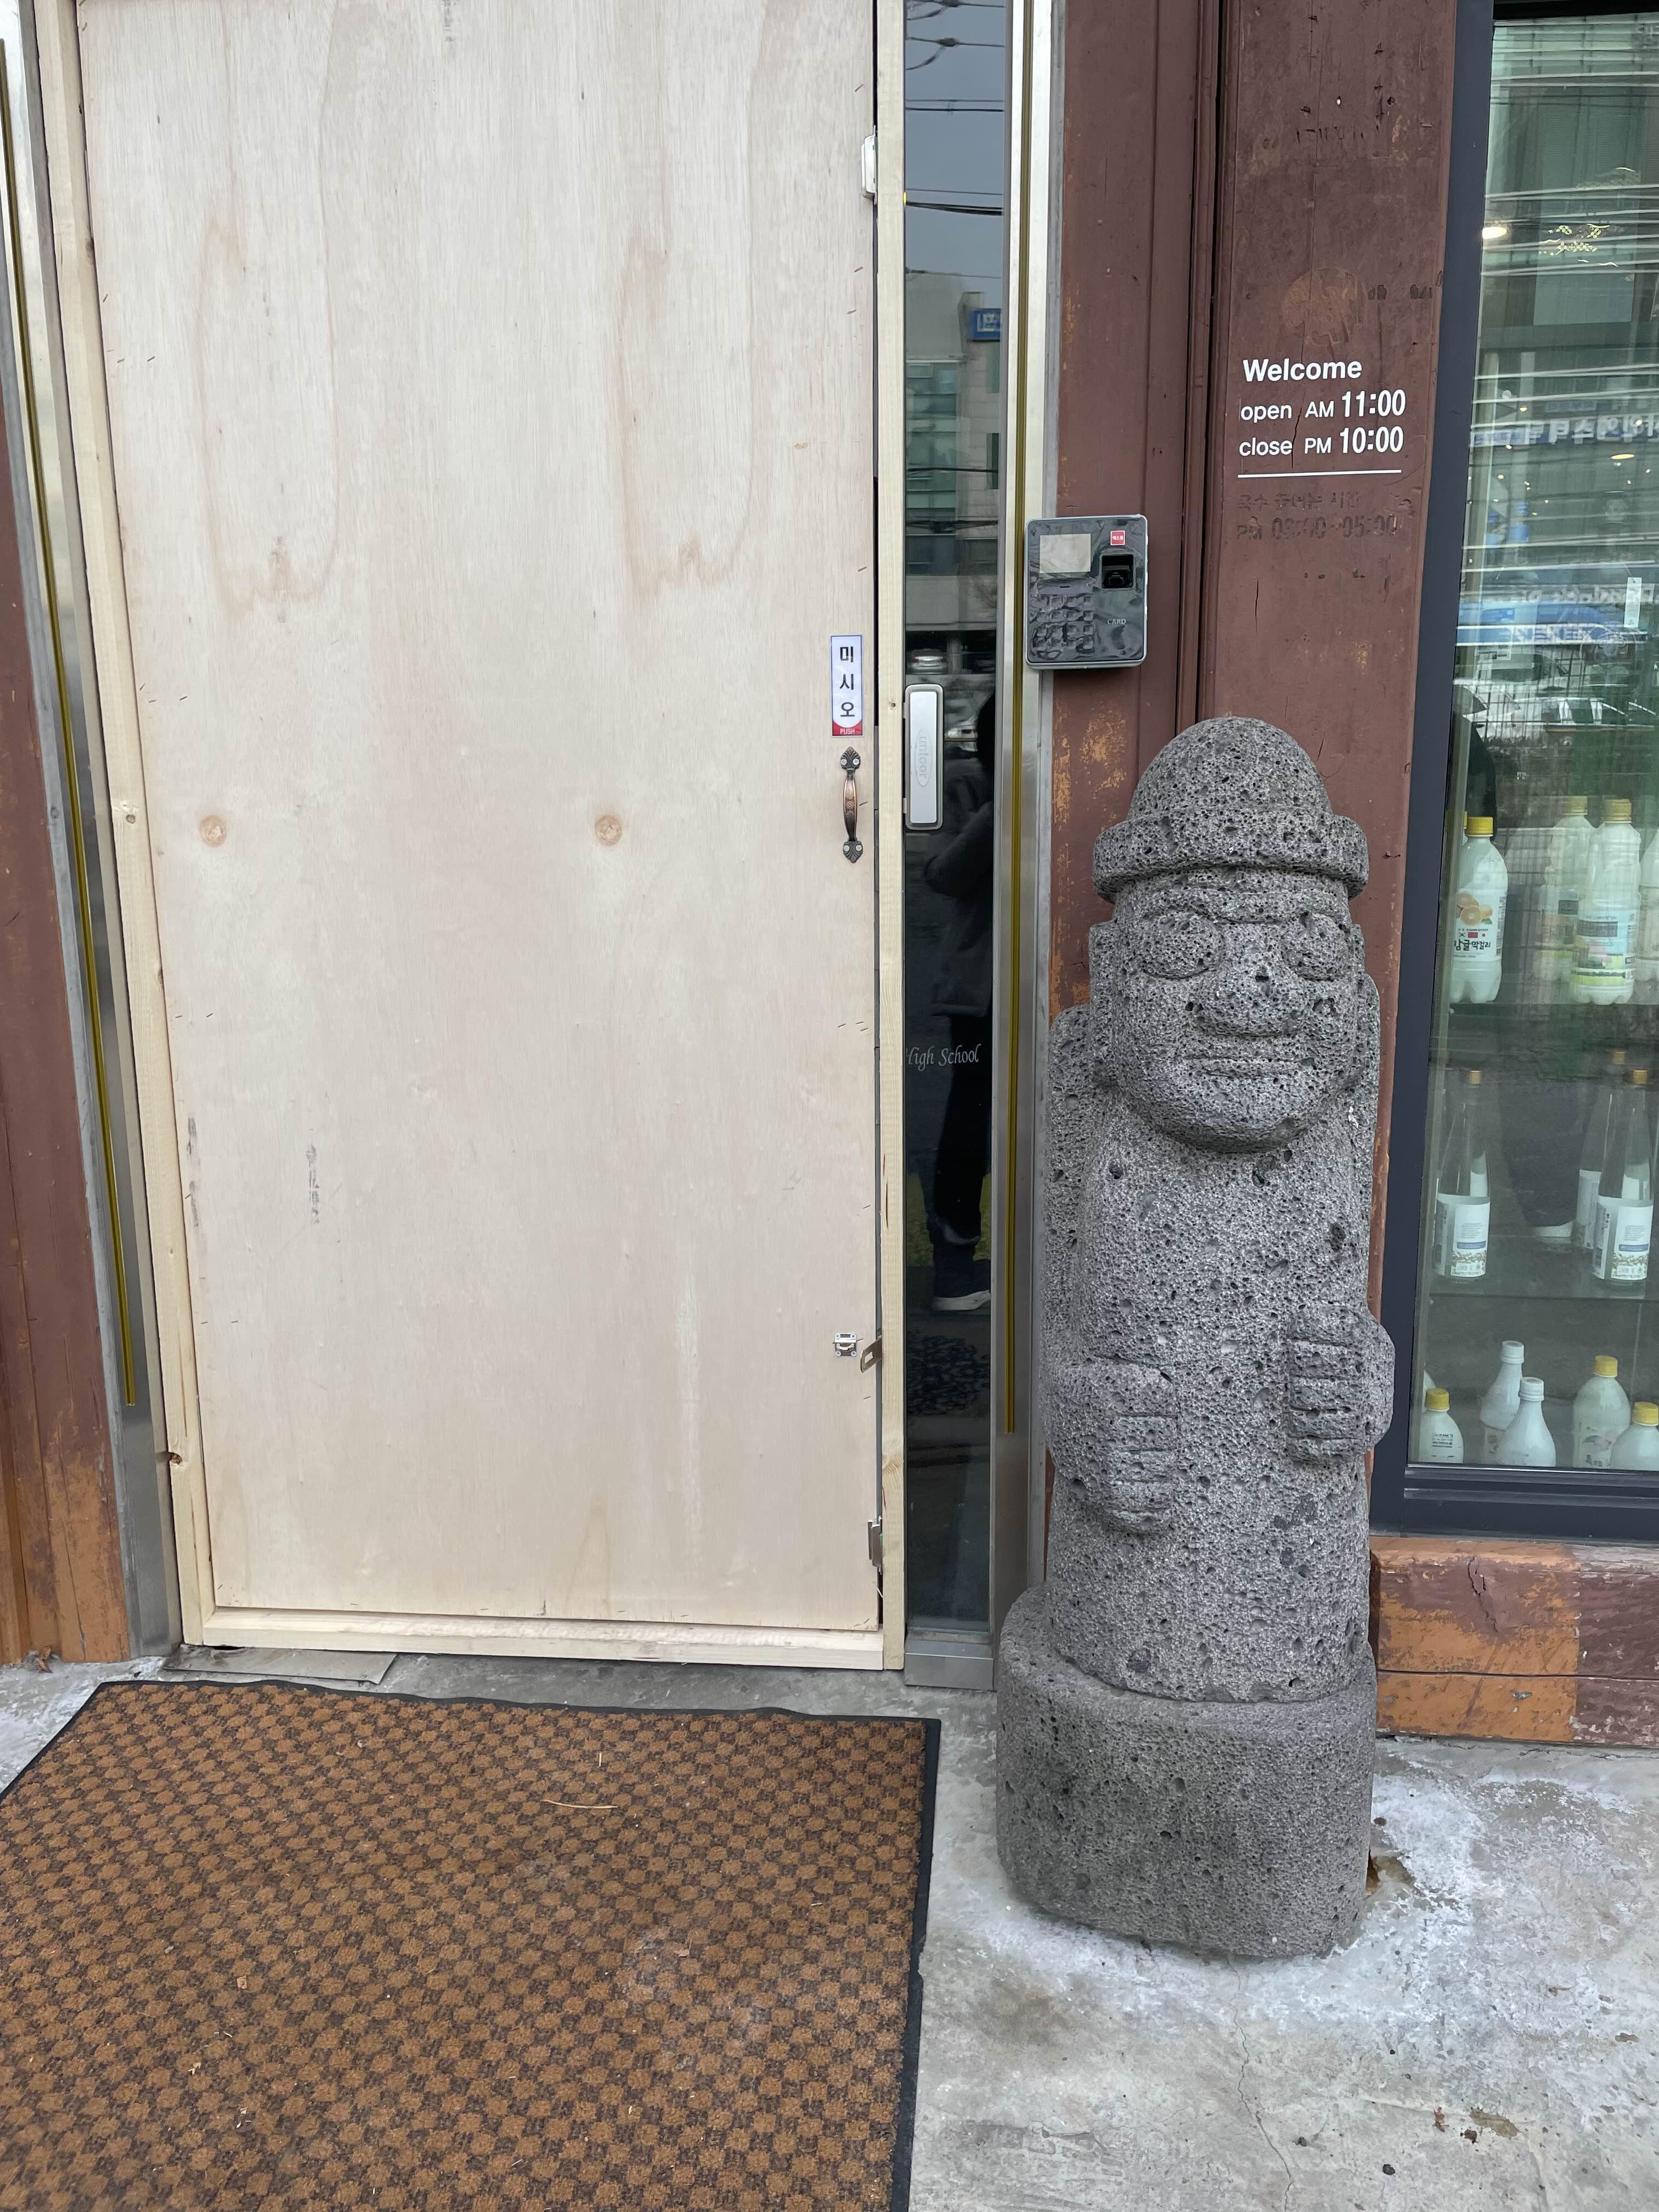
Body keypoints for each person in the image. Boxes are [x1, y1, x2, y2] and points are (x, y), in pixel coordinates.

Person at [925, 693, 995, 1311]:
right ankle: (953, 1269)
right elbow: (941, 873)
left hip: (999, 985)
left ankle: (965, 1263)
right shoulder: (970, 790)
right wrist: (998, 816)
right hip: (981, 989)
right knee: (970, 1122)